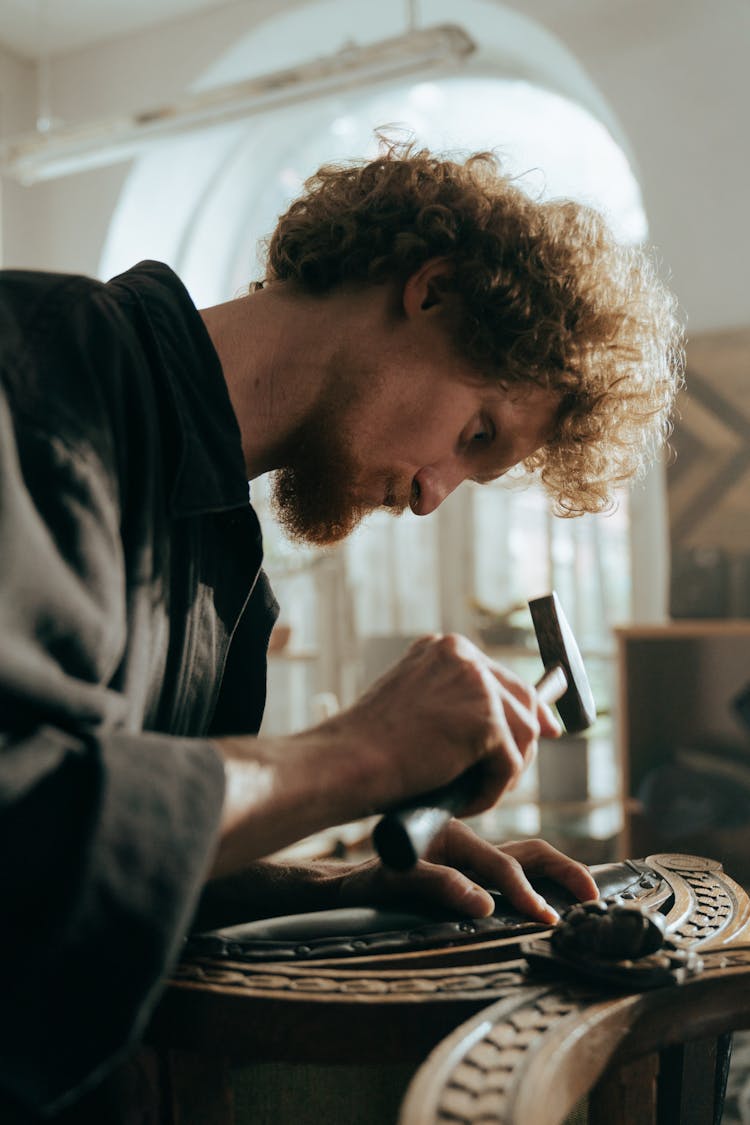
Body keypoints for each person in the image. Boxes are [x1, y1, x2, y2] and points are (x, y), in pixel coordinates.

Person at [0, 144, 683, 1120]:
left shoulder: (225, 578)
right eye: (474, 434)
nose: (427, 496)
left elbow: (106, 878)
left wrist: (342, 884)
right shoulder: (33, 368)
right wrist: (357, 752)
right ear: (434, 290)